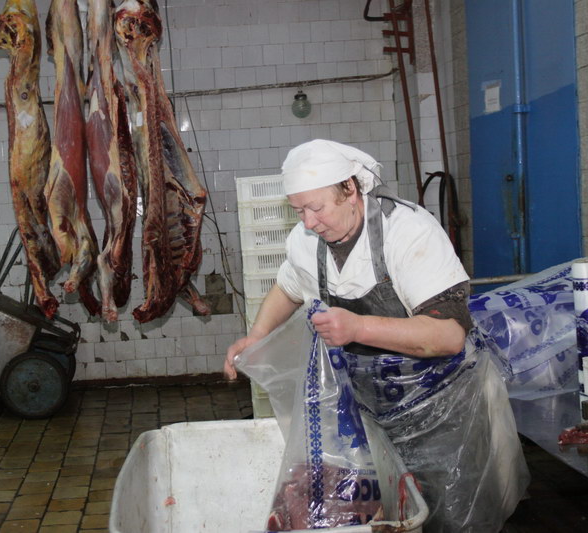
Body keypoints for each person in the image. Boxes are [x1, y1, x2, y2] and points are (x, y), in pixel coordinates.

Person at [225, 139, 529, 532]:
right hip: (367, 408)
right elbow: (288, 288)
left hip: (442, 409)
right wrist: (257, 336)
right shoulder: (306, 241)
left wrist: (358, 327)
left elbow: (449, 335)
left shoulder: (409, 231)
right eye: (299, 211)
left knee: (451, 515)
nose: (309, 222)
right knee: (384, 513)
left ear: (350, 189)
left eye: (317, 208)